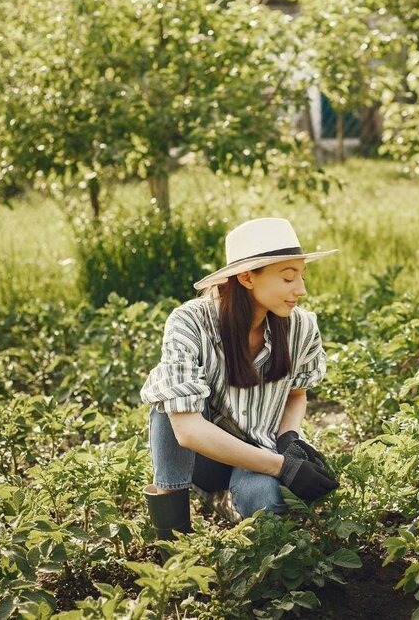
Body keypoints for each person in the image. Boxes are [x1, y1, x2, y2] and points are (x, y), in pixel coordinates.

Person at [140, 217, 339, 543]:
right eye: (289, 277)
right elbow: (187, 431)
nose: (301, 289)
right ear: (247, 277)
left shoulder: (301, 327)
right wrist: (282, 467)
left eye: (302, 276)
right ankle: (171, 540)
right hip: (203, 459)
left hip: (260, 451)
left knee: (264, 503)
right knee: (167, 404)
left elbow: (296, 393)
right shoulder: (191, 322)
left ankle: (229, 504)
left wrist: (288, 439)